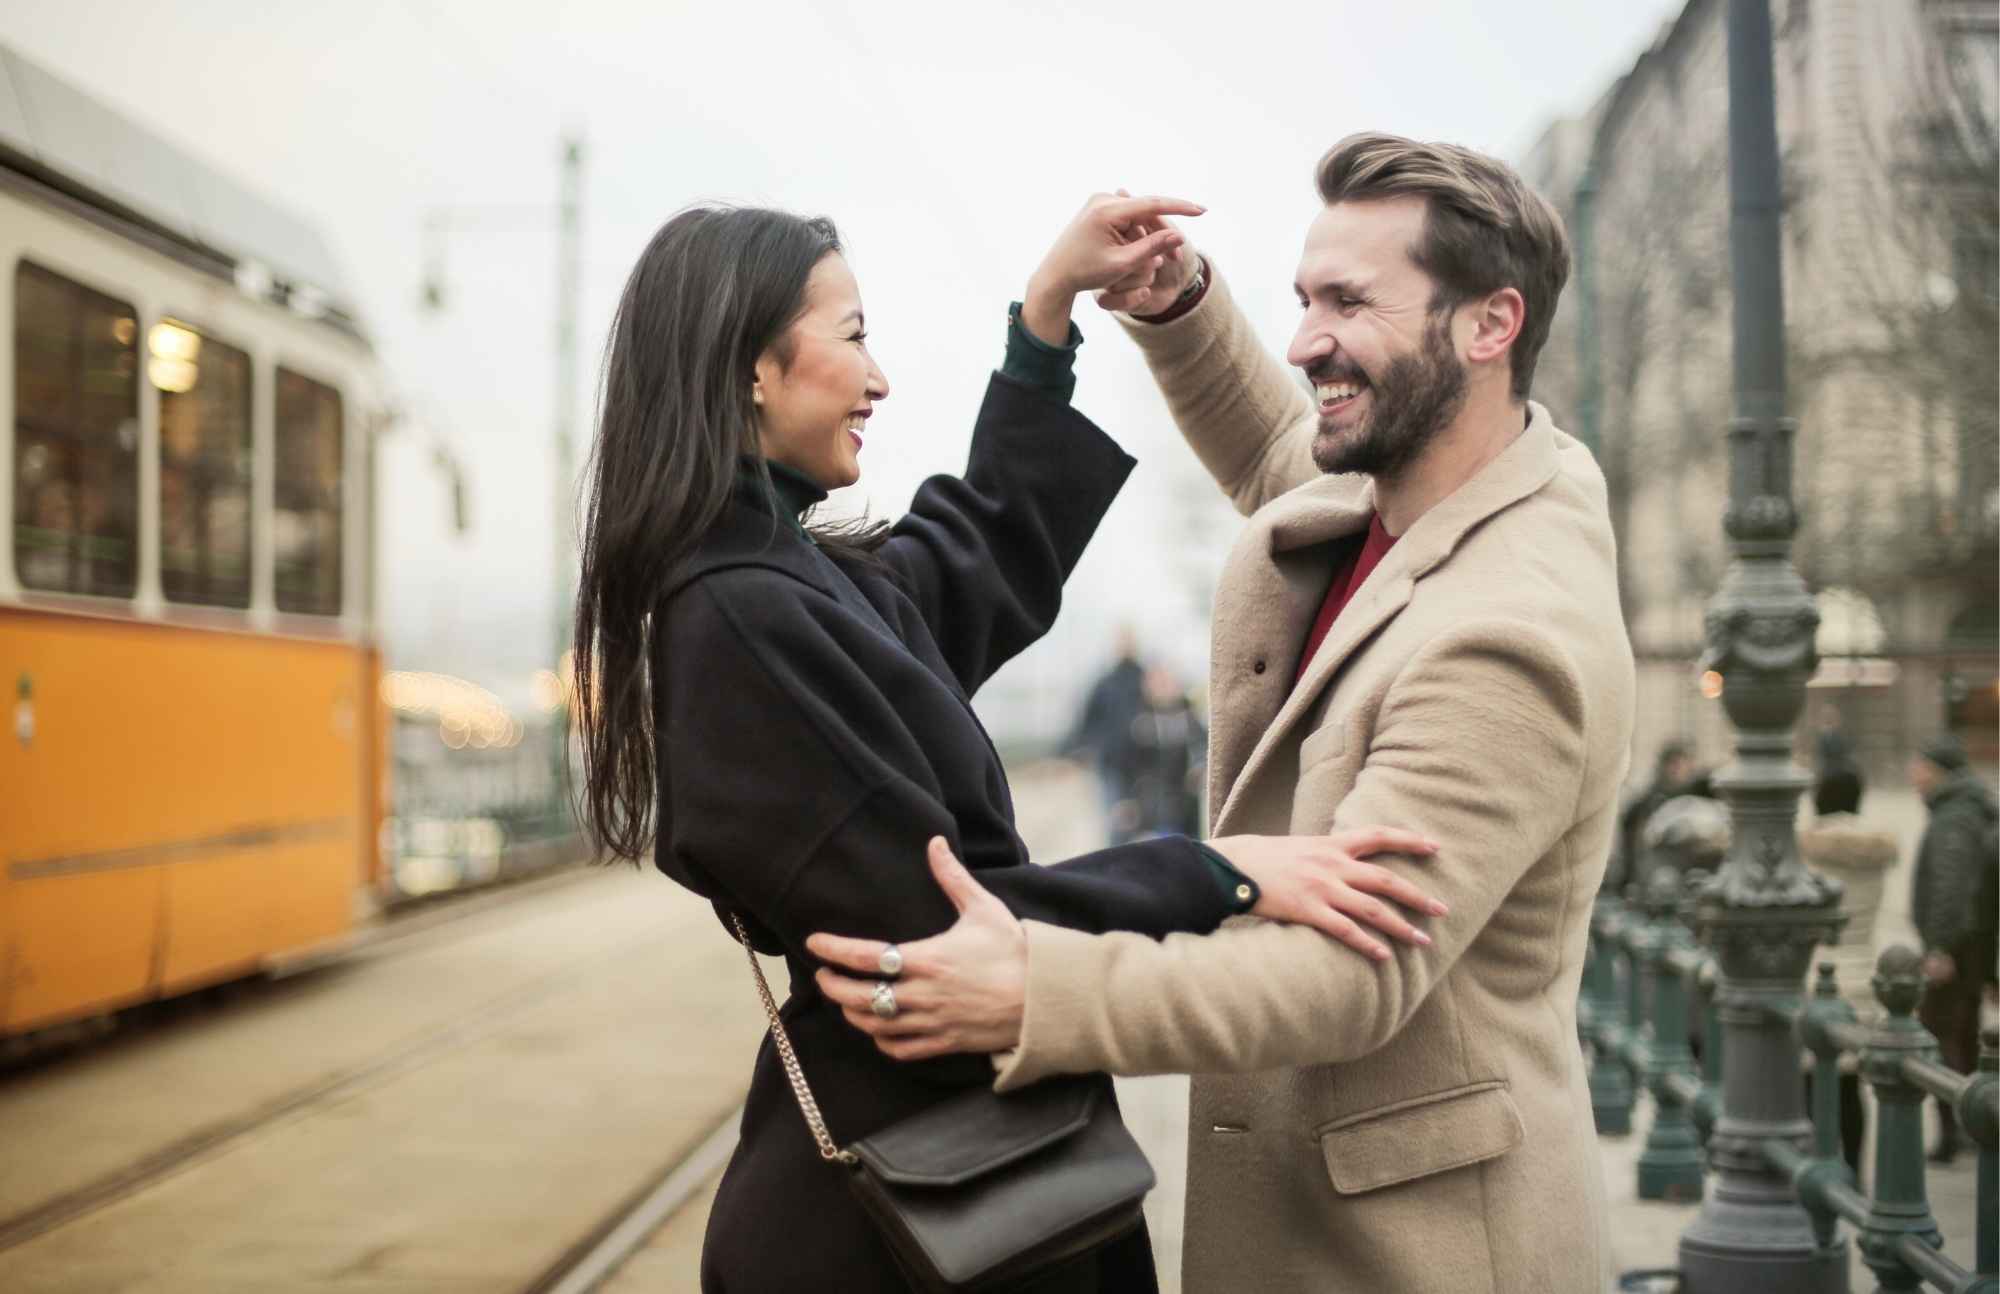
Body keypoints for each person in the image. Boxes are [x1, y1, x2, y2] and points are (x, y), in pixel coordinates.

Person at [570, 199, 1450, 1293]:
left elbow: (970, 553)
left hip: (956, 1179)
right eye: (851, 338)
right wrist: (1220, 873)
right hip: (913, 1216)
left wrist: (1044, 322)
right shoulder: (742, 615)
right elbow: (954, 931)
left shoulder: (786, 580)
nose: (878, 378)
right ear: (751, 367)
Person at [812, 133, 1635, 1293]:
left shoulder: (1506, 633)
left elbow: (1346, 973)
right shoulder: (1420, 479)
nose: (1305, 340)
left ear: (1488, 325)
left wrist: (1034, 990)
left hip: (1423, 1253)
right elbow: (1275, 452)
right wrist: (1178, 304)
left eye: (1349, 301)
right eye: (1303, 299)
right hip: (1327, 1219)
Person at [1798, 772, 1897, 1182]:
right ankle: (1855, 1171)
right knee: (1852, 1086)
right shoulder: (1874, 853)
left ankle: (1821, 1170)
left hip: (1817, 975)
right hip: (1863, 974)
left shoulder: (1809, 852)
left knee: (1813, 1084)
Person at [1907, 733, 1999, 1163]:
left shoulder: (1954, 817)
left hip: (1957, 947)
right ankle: (1967, 1128)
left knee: (1940, 1033)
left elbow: (1951, 885)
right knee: (1962, 1035)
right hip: (1974, 945)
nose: (1912, 774)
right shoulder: (1964, 809)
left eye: (1920, 765)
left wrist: (1939, 946)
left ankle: (1954, 1132)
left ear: (1939, 770)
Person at [1061, 627, 1146, 832]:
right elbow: (1086, 720)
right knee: (1116, 822)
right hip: (1111, 763)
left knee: (1143, 821)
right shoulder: (1105, 683)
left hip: (1143, 765)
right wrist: (1066, 751)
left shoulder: (1146, 680)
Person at [1119, 663, 1207, 841]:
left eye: (1167, 683)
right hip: (1151, 810)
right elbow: (1128, 766)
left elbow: (1202, 749)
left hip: (1185, 808)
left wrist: (1199, 769)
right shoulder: (1140, 724)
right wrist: (1127, 800)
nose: (1164, 688)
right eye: (1158, 684)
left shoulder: (1190, 720)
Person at [1612, 739, 1696, 894]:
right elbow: (1632, 839)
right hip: (1653, 876)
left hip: (1686, 873)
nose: (1678, 771)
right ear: (1664, 766)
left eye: (1683, 765)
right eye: (1674, 765)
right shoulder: (1647, 801)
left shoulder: (1695, 797)